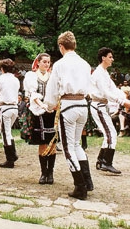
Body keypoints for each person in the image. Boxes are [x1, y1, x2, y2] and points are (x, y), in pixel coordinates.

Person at [43, 31, 93, 200]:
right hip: (82, 104)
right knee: (77, 144)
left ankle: (80, 186)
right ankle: (87, 180)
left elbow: (52, 88)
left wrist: (49, 104)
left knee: (67, 147)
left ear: (61, 47)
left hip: (68, 105)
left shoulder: (59, 64)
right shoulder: (85, 64)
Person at [90, 47, 130, 175]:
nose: (112, 59)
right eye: (110, 57)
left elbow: (113, 89)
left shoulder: (104, 72)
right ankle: (106, 163)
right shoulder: (98, 73)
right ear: (103, 58)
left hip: (101, 105)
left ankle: (101, 160)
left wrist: (125, 99)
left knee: (109, 133)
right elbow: (105, 92)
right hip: (98, 105)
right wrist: (122, 102)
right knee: (111, 133)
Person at [23, 53, 57, 184]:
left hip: (52, 111)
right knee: (43, 142)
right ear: (38, 62)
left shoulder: (52, 76)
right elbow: (33, 94)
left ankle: (51, 173)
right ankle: (44, 172)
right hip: (39, 111)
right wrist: (42, 105)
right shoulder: (32, 76)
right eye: (44, 62)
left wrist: (54, 106)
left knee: (52, 142)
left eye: (48, 62)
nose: (47, 64)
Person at [0, 58, 20, 168]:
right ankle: (13, 154)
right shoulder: (15, 80)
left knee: (5, 133)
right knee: (8, 131)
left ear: (2, 69)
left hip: (5, 108)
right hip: (15, 108)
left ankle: (10, 158)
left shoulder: (0, 80)